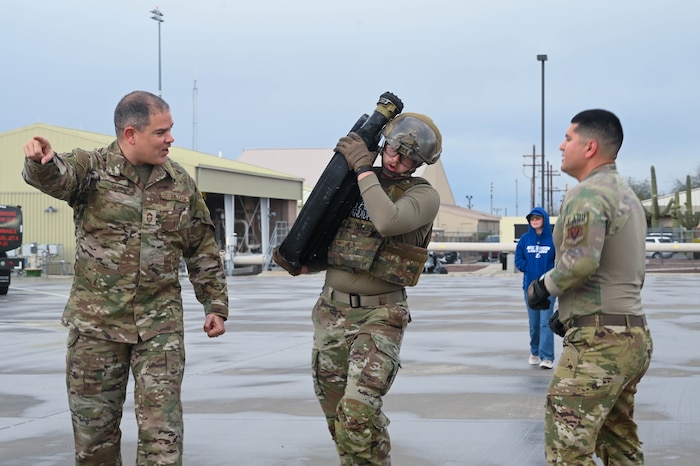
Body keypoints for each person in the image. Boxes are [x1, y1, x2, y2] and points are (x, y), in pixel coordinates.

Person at [22, 90, 229, 465]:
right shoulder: (92, 169)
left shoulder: (180, 183)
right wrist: (42, 162)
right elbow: (59, 178)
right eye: (161, 131)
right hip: (96, 330)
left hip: (159, 330)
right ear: (131, 134)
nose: (171, 139)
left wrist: (214, 304)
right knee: (94, 441)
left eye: (171, 130)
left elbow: (201, 247)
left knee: (162, 440)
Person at [309, 113, 442, 465]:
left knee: (356, 413)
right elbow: (335, 239)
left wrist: (363, 169)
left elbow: (387, 221)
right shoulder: (354, 183)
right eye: (393, 149)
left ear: (420, 163)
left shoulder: (422, 195)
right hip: (331, 313)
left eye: (407, 156)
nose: (395, 159)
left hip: (380, 316)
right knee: (339, 418)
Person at [527, 109, 653, 465]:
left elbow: (580, 262)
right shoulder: (627, 196)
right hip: (632, 334)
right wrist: (568, 311)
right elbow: (622, 272)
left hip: (600, 343)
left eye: (569, 138)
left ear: (590, 147)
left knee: (567, 448)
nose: (562, 145)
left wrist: (543, 287)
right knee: (618, 441)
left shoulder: (587, 194)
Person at [515, 207, 556, 369]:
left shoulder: (553, 239)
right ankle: (534, 352)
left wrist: (549, 275)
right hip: (530, 288)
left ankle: (547, 357)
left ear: (544, 220)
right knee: (534, 323)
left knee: (546, 322)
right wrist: (529, 268)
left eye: (538, 218)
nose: (535, 221)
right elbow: (519, 259)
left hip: (548, 287)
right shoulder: (525, 239)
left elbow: (558, 260)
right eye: (532, 219)